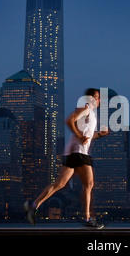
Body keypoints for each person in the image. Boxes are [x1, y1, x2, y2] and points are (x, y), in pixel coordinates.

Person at [24, 88, 109, 228]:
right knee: (89, 184)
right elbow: (69, 120)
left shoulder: (90, 113)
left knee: (59, 184)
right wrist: (79, 135)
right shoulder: (86, 108)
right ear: (91, 98)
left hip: (72, 153)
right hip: (79, 153)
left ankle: (33, 205)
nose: (99, 100)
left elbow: (87, 136)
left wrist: (99, 134)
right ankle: (87, 218)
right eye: (97, 97)